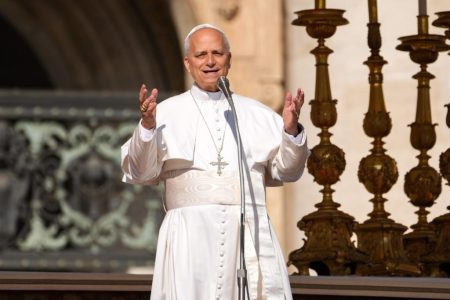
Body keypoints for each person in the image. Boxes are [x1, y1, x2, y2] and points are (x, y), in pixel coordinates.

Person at [121, 23, 310, 300]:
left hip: (247, 236)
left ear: (229, 60)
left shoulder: (255, 113)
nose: (210, 61)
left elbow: (288, 171)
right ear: (187, 63)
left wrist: (291, 132)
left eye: (217, 53)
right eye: (201, 55)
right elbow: (140, 171)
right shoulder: (166, 113)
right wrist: (148, 128)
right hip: (189, 240)